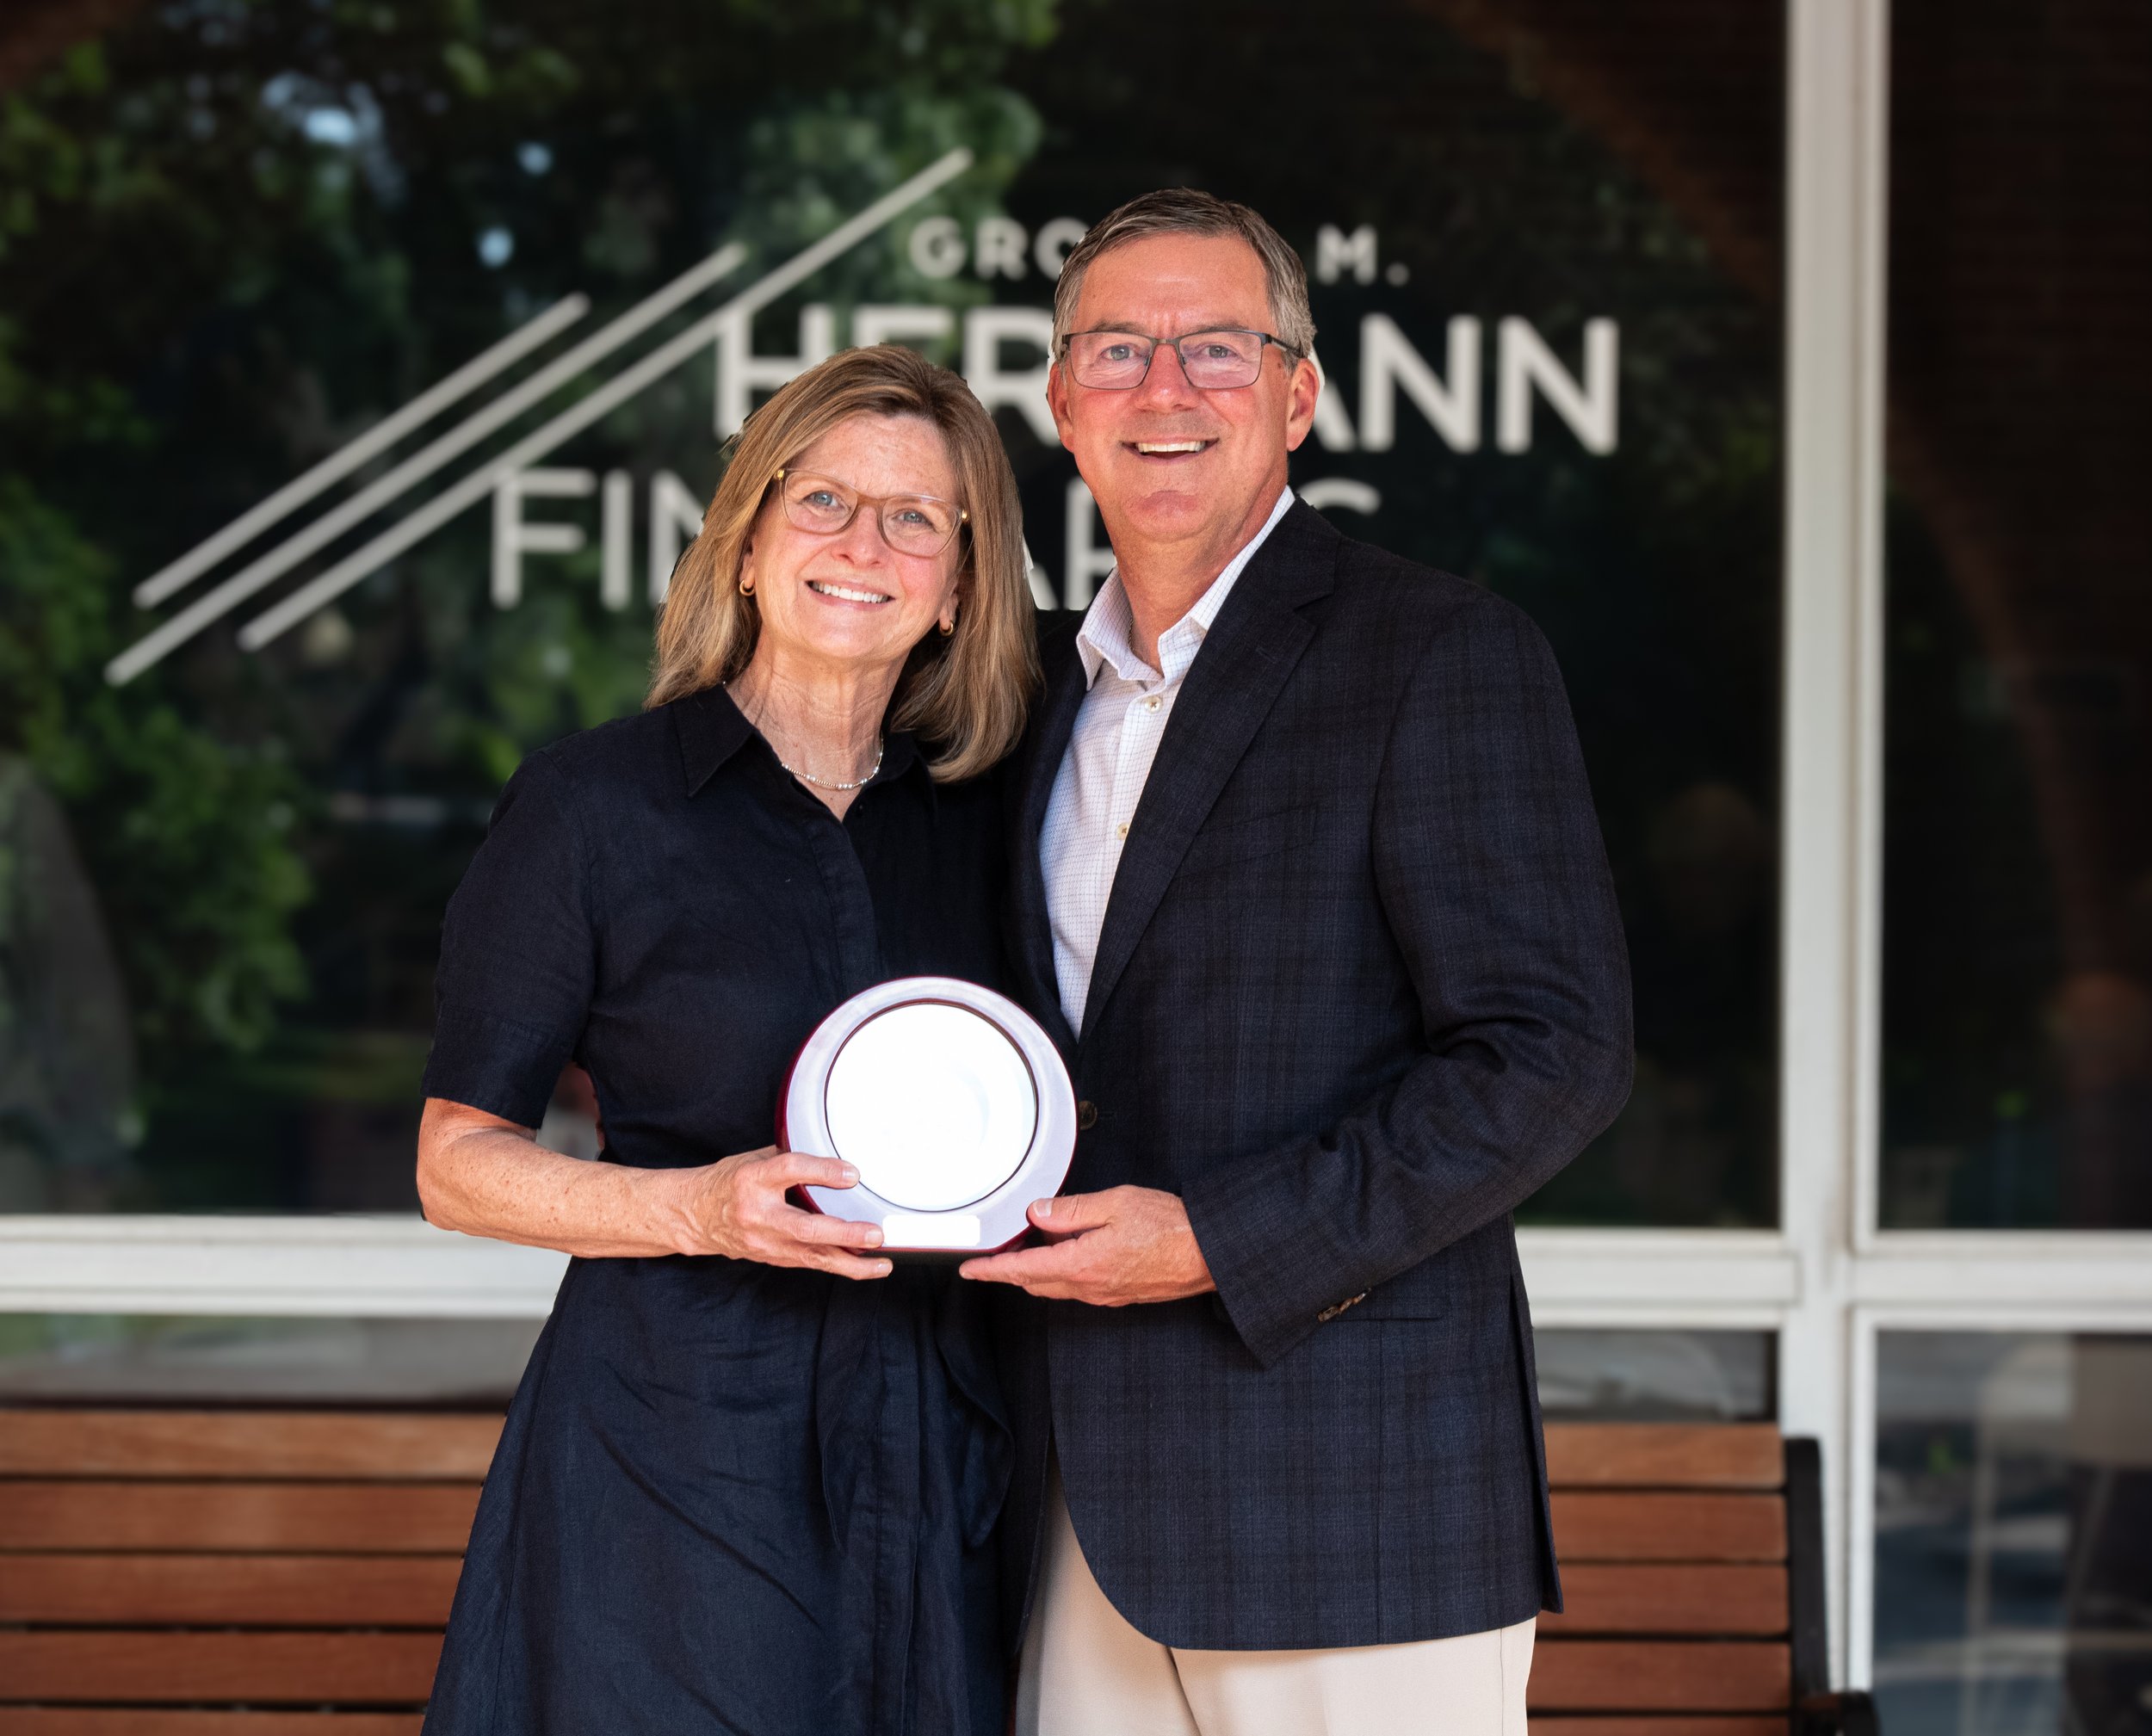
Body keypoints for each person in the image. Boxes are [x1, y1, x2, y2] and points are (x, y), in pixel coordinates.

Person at [960, 190, 1634, 1735]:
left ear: (1298, 394)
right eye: (1119, 349)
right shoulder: (1030, 694)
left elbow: (1555, 1050)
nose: (1167, 386)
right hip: (1072, 1506)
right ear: (1061, 403)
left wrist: (1218, 1238)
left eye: (1217, 346)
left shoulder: (1437, 653)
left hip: (1357, 1502)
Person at [414, 344, 1039, 1736]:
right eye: (822, 499)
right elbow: (457, 1164)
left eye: (917, 517)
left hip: (943, 1452)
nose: (864, 544)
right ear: (749, 541)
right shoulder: (593, 807)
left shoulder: (1001, 823)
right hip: (671, 1455)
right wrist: (699, 1205)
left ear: (959, 585)